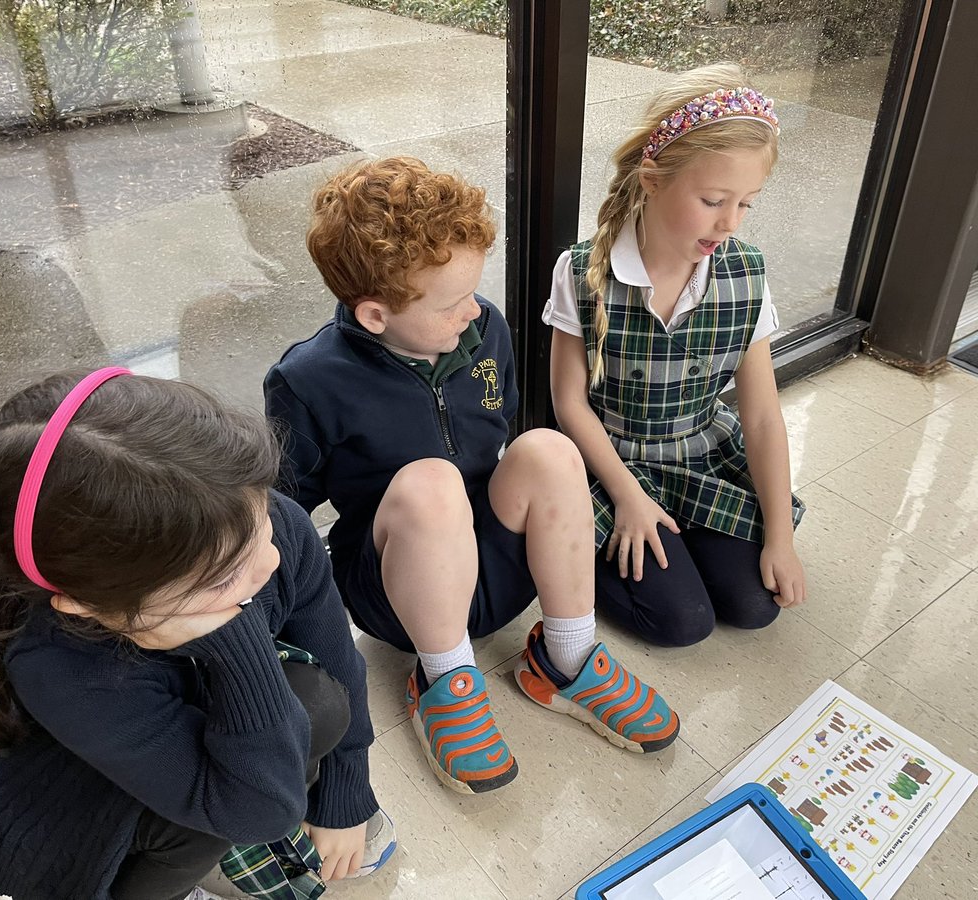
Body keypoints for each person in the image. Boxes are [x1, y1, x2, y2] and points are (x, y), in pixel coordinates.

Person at [264, 156, 679, 797]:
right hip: (397, 585)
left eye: (472, 292)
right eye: (451, 303)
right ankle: (445, 678)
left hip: (494, 564)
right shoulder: (307, 380)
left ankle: (566, 656)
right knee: (431, 483)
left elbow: (501, 431)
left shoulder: (484, 327)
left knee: (547, 448)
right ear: (375, 315)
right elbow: (282, 510)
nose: (473, 313)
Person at [0, 368, 394, 900]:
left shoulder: (253, 523)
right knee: (219, 812)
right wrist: (237, 639)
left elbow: (338, 660)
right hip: (90, 812)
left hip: (175, 738)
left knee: (320, 703)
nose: (270, 560)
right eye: (223, 576)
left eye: (261, 520)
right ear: (93, 606)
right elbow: (256, 814)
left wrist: (347, 789)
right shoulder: (60, 663)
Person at [546, 64, 807, 649]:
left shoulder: (746, 274)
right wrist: (628, 495)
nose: (729, 222)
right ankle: (573, 550)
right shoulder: (582, 271)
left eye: (746, 204)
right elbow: (568, 404)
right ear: (653, 178)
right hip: (612, 462)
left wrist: (780, 540)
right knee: (681, 623)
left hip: (701, 455)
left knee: (753, 605)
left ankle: (685, 533)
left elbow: (762, 417)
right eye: (714, 200)